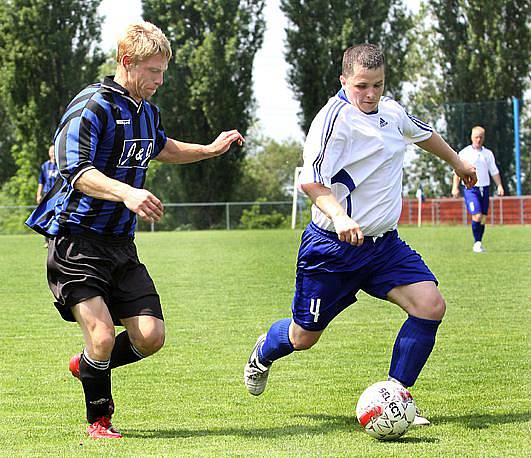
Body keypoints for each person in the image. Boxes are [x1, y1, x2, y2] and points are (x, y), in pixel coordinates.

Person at [26, 21, 244, 439]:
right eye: (154, 72)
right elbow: (74, 169)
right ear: (128, 63)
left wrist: (209, 149)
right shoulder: (92, 106)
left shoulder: (146, 110)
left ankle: (88, 363)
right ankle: (99, 422)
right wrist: (126, 193)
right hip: (77, 240)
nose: (160, 81)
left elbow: (160, 146)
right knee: (104, 335)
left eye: (164, 72)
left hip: (120, 245)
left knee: (150, 336)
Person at [243, 44, 477, 426]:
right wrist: (339, 217)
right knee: (304, 336)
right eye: (361, 86)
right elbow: (312, 183)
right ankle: (262, 354)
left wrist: (457, 161)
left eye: (378, 85)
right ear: (344, 80)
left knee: (430, 305)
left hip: (383, 246)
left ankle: (396, 398)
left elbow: (424, 134)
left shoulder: (392, 112)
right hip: (332, 248)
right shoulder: (331, 121)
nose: (370, 95)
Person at [451, 126, 504, 253]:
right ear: (471, 137)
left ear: (484, 138)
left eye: (481, 137)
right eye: (476, 137)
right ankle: (476, 243)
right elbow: (457, 171)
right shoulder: (464, 153)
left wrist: (499, 185)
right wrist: (455, 187)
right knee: (477, 215)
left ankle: (479, 242)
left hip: (485, 188)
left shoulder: (488, 154)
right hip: (470, 188)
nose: (478, 139)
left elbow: (494, 171)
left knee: (483, 217)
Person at [36, 145, 59, 247]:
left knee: (57, 216)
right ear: (49, 153)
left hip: (58, 194)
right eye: (51, 152)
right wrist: (39, 195)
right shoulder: (45, 166)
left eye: (55, 152)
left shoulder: (61, 165)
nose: (53, 154)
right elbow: (41, 181)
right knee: (46, 217)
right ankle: (46, 240)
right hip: (47, 194)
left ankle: (55, 239)